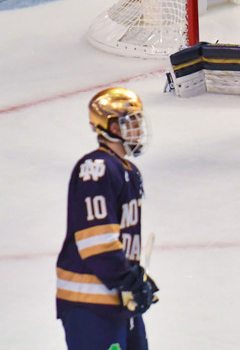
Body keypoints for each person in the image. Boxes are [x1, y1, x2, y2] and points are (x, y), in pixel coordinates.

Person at [56, 88, 158, 350]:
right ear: (109, 127)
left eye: (137, 121)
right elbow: (97, 241)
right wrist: (128, 278)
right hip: (90, 303)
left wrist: (136, 277)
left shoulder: (128, 170)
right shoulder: (97, 168)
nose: (137, 129)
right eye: (129, 122)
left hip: (119, 300)